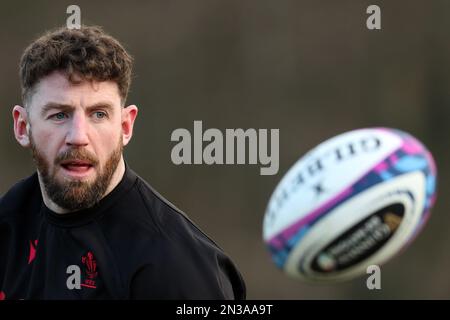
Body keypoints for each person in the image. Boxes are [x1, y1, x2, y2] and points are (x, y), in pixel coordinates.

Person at [0, 25, 246, 300]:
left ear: (125, 126)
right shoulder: (9, 225)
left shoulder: (173, 269)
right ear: (23, 127)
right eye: (59, 115)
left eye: (99, 114)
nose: (78, 137)